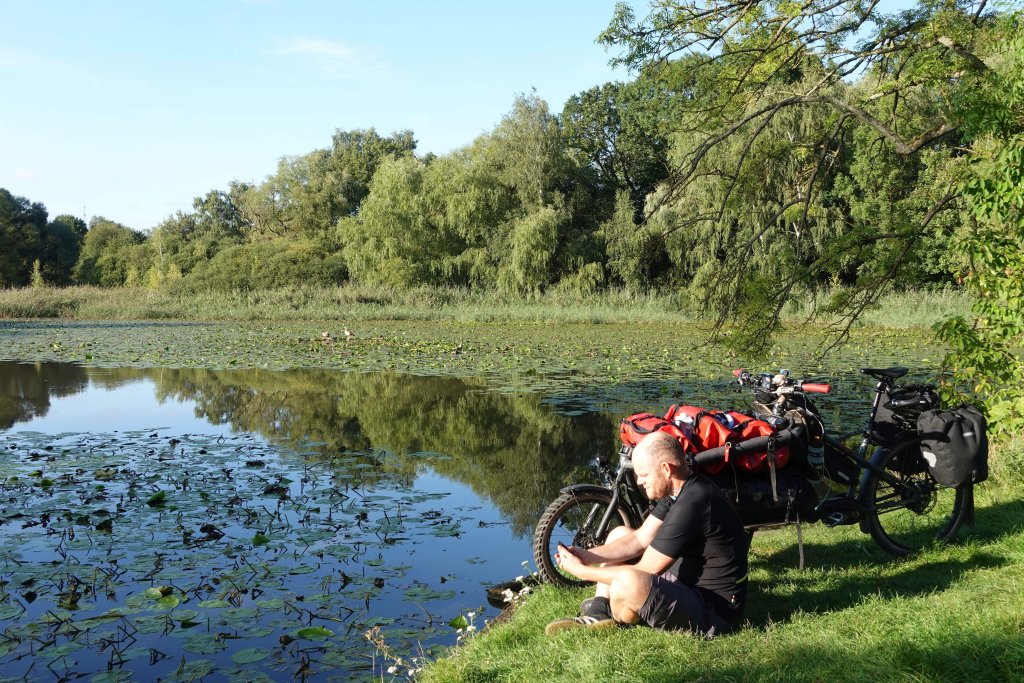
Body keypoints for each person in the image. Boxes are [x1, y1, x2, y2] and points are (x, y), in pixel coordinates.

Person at [546, 430, 749, 637]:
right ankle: (599, 612)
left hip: (714, 611)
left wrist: (582, 572)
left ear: (666, 469)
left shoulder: (693, 502)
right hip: (685, 583)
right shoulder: (678, 491)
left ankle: (617, 609)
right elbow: (639, 539)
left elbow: (646, 569)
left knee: (628, 582)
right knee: (619, 534)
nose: (639, 482)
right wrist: (587, 555)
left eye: (643, 475)